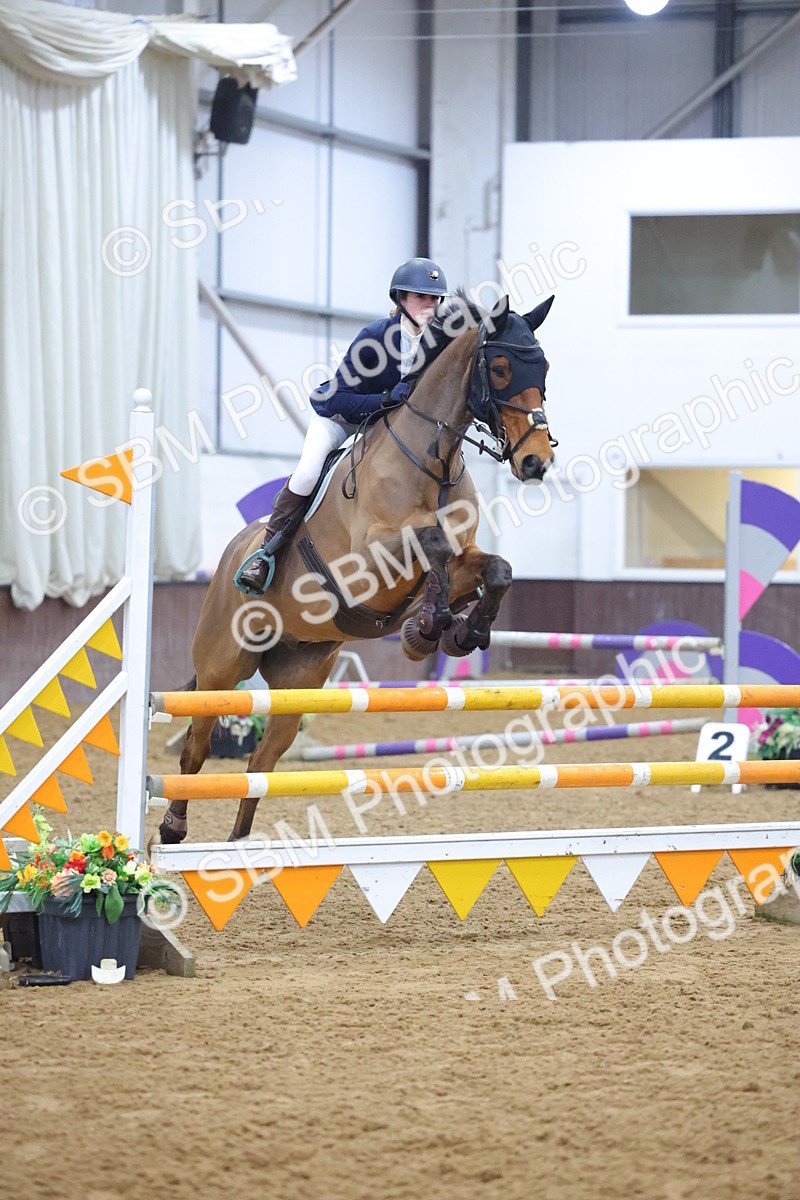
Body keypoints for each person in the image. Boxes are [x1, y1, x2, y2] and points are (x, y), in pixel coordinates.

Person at [236, 257, 448, 594]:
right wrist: (384, 400)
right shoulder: (375, 337)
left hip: (385, 430)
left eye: (435, 299)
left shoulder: (437, 343)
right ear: (401, 299)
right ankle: (266, 554)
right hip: (341, 420)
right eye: (422, 297)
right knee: (307, 474)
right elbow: (336, 398)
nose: (431, 305)